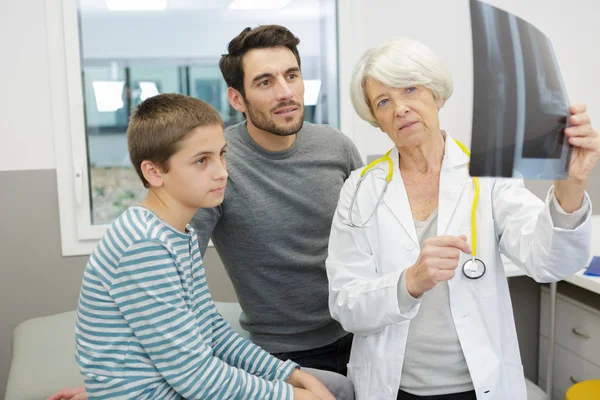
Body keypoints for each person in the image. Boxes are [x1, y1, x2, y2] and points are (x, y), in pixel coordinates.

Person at [326, 38, 599, 400]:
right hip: (392, 386)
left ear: (437, 95)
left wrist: (571, 186)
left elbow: (549, 262)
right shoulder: (359, 190)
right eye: (383, 102)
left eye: (411, 89)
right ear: (376, 121)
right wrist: (410, 281)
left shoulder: (489, 176)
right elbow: (345, 304)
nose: (401, 109)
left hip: (478, 386)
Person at [64, 93, 340, 400]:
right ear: (154, 172)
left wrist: (290, 374)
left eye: (222, 155)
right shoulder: (144, 245)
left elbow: (212, 329)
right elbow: (196, 377)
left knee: (336, 387)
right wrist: (293, 396)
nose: (222, 171)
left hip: (176, 389)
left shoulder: (177, 233)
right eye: (201, 161)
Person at [190, 24, 363, 376]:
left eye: (292, 76)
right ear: (237, 99)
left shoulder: (336, 146)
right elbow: (171, 277)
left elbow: (375, 237)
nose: (286, 92)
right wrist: (126, 382)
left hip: (363, 334)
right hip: (282, 358)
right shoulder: (218, 164)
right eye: (265, 82)